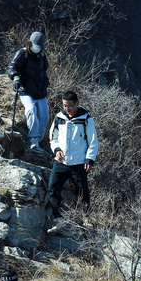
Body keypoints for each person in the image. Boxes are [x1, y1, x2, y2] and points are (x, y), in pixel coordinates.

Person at [48, 91, 98, 231]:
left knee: (82, 191)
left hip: (79, 162)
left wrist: (89, 159)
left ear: (77, 103)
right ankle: (57, 219)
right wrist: (56, 150)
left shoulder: (86, 118)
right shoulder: (59, 117)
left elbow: (93, 141)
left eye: (70, 105)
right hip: (61, 162)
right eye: (65, 106)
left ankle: (87, 218)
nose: (67, 109)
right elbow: (53, 138)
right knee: (53, 187)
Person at [8, 32, 50, 153]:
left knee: (44, 116)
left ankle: (37, 141)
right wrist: (15, 78)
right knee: (31, 110)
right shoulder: (22, 53)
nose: (38, 49)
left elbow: (44, 73)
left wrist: (47, 88)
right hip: (26, 90)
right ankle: (32, 140)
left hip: (40, 91)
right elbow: (12, 67)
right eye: (36, 46)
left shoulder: (42, 54)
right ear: (29, 43)